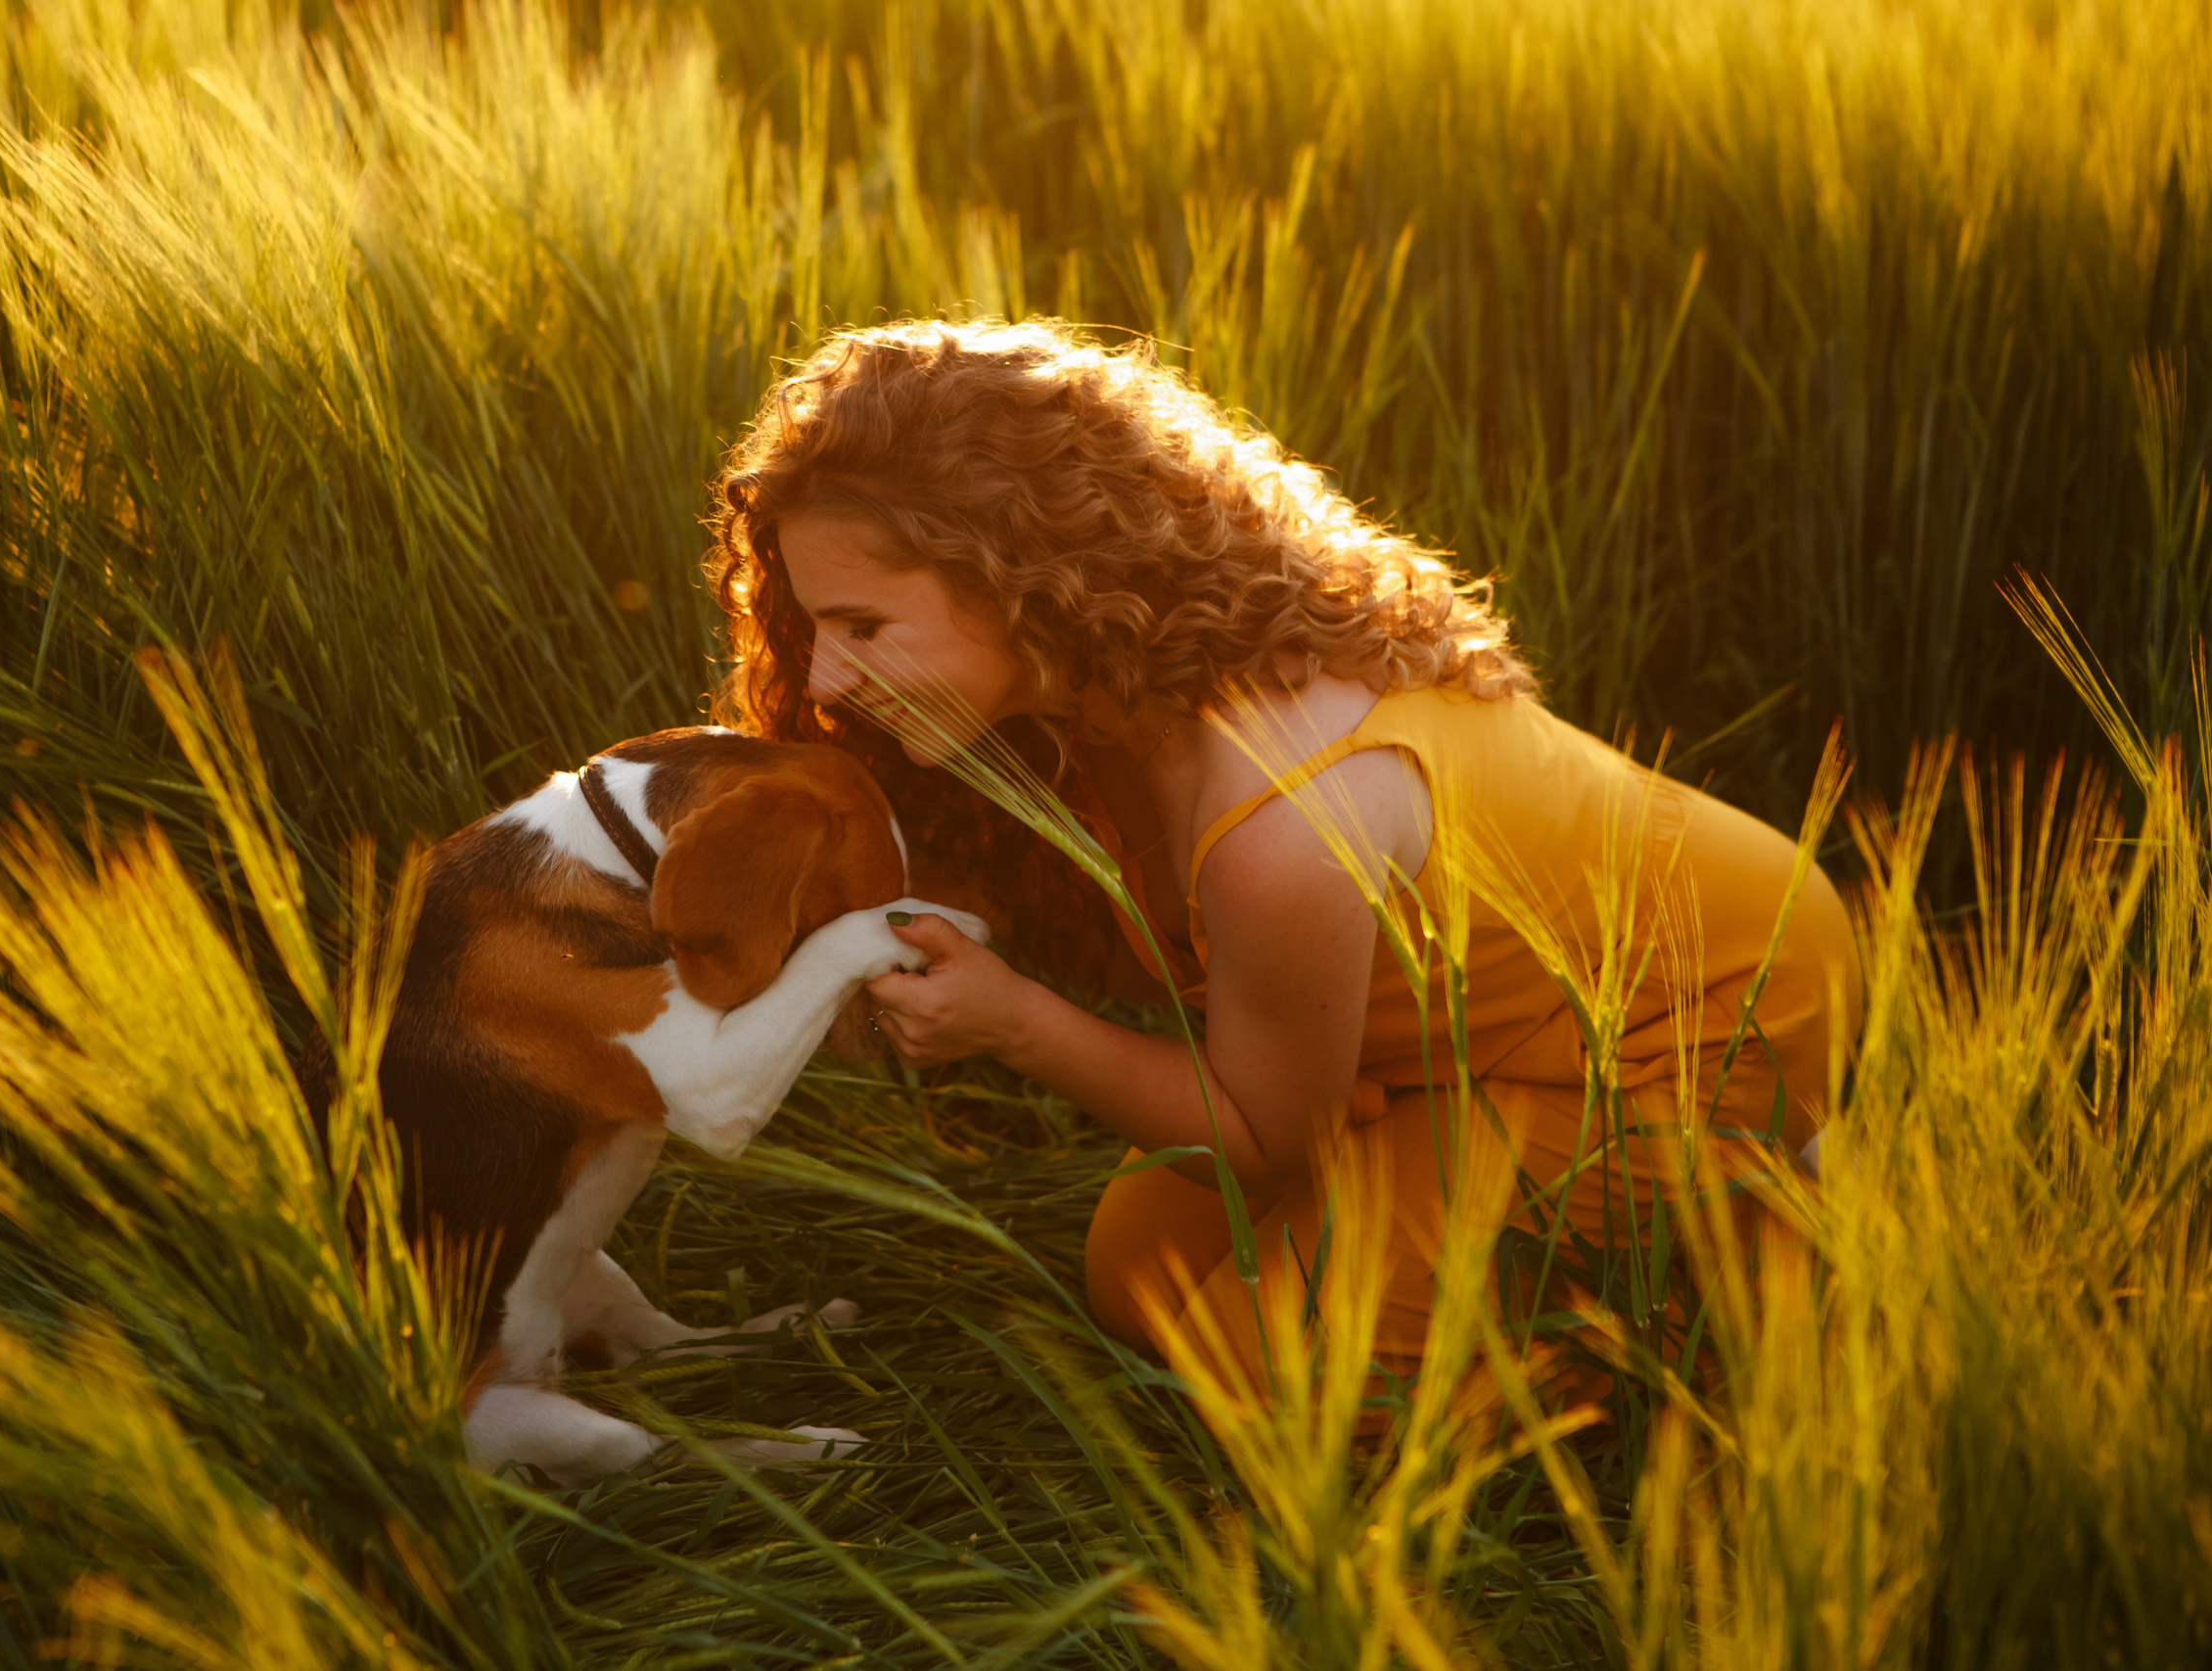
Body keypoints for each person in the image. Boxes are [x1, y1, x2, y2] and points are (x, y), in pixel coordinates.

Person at [706, 318, 1858, 1391]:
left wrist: (1014, 1023)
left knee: (1271, 1370)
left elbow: (1265, 1136)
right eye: (819, 626)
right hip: (1483, 1023)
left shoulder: (1283, 819)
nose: (824, 682)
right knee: (1137, 1271)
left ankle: (1745, 1283)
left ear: (1018, 579)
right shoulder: (1095, 704)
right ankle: (1529, 1219)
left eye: (862, 627)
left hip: (1699, 1021)